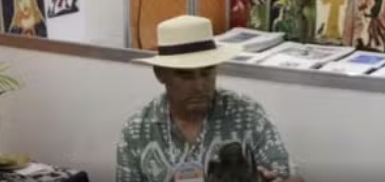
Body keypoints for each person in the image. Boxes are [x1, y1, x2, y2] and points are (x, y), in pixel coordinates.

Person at [117, 16, 301, 182]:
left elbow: (291, 177)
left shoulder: (247, 115)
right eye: (185, 75)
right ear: (160, 74)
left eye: (207, 72)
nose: (199, 86)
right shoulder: (138, 131)